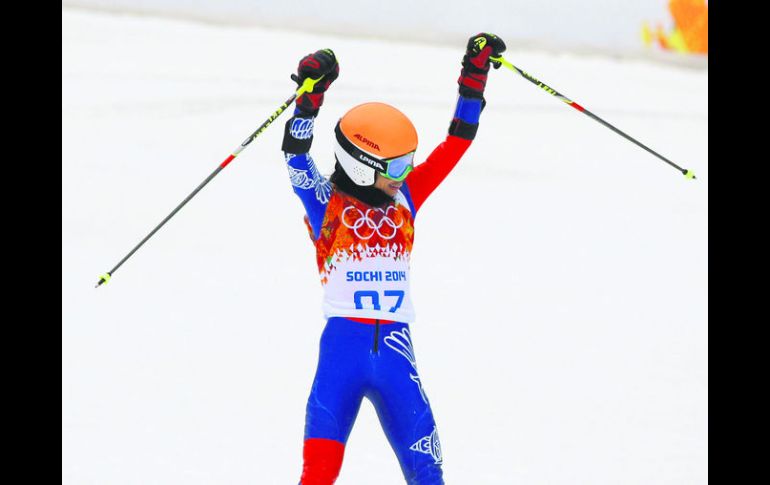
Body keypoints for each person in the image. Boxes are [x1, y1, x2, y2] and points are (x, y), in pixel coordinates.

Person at [282, 33, 506, 485]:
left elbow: (456, 143)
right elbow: (295, 155)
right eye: (398, 166)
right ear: (364, 165)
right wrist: (310, 98)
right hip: (341, 357)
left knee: (428, 475)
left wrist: (474, 77)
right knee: (317, 477)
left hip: (397, 358)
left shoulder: (406, 196)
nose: (406, 173)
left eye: (408, 163)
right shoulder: (325, 204)